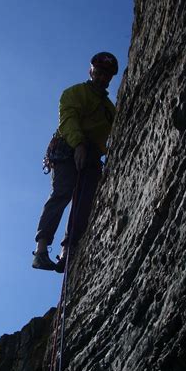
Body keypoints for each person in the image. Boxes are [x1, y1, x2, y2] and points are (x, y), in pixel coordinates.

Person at [32, 52, 118, 273]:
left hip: (91, 156)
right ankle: (41, 250)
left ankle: (67, 251)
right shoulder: (75, 93)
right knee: (63, 192)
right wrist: (79, 144)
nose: (101, 78)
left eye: (105, 75)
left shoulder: (110, 109)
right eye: (98, 73)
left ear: (110, 78)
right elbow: (69, 120)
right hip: (68, 148)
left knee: (84, 202)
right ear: (91, 71)